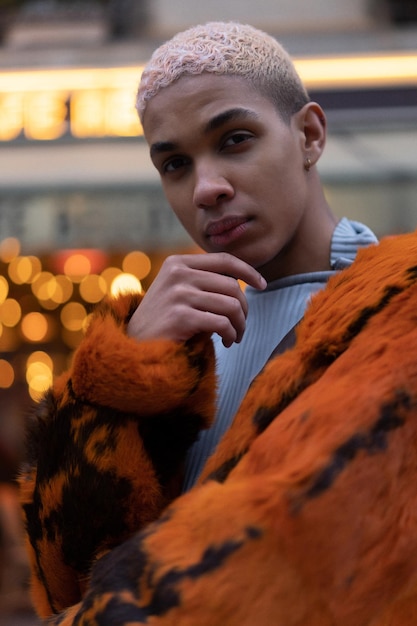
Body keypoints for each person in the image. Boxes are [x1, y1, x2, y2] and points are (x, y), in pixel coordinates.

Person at [22, 20, 415, 625]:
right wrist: (122, 384)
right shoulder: (177, 344)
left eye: (234, 139)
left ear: (309, 135)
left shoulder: (396, 313)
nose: (206, 188)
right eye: (175, 164)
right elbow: (66, 582)